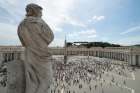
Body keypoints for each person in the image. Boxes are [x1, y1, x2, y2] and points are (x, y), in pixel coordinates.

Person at [18, 3, 54, 93]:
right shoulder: (39, 22)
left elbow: (23, 42)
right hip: (42, 54)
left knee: (32, 81)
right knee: (47, 80)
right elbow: (50, 37)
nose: (42, 14)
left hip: (29, 54)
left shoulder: (21, 25)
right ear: (35, 11)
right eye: (40, 12)